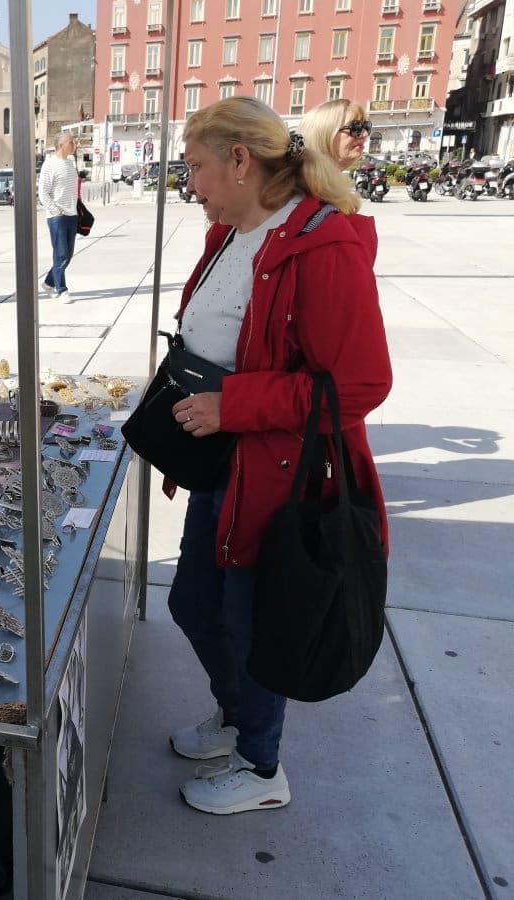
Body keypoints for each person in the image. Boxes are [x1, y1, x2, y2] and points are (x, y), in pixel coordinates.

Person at [164, 97, 391, 815]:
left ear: (240, 161)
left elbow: (359, 384)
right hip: (220, 463)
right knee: (192, 603)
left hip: (277, 478)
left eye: (195, 167)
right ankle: (237, 717)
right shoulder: (229, 233)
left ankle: (263, 768)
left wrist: (233, 405)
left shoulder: (324, 246)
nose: (190, 184)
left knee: (249, 623)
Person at [38, 131, 80, 303]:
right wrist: (56, 211)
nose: (74, 145)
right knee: (61, 254)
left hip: (72, 215)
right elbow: (43, 193)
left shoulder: (70, 163)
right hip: (58, 217)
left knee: (67, 255)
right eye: (71, 142)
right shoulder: (49, 165)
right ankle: (61, 290)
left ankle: (48, 283)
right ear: (61, 145)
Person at [300, 99, 371, 170]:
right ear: (326, 133)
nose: (365, 134)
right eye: (355, 127)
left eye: (366, 126)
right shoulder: (302, 176)